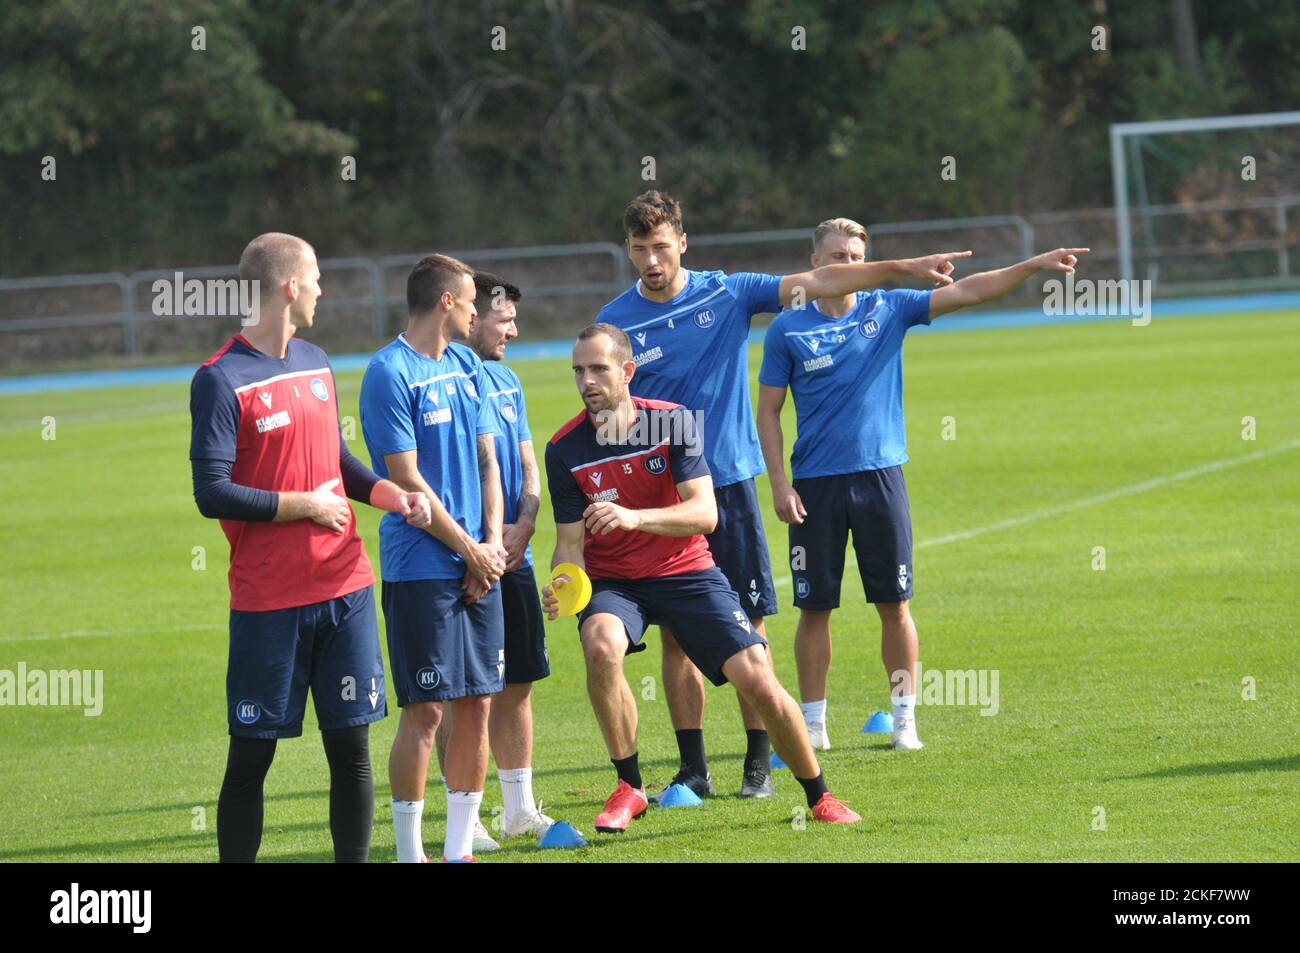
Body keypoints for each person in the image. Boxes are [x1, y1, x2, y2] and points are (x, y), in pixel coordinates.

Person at [595, 189, 970, 797]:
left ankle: (757, 761)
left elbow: (819, 282)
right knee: (674, 636)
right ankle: (694, 768)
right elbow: (607, 410)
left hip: (730, 484)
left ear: (682, 242)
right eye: (639, 249)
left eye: (661, 246)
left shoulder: (729, 293)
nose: (651, 259)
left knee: (748, 624)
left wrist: (904, 268)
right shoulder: (616, 322)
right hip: (661, 496)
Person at [757, 217, 1089, 750]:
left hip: (881, 478)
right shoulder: (787, 329)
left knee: (895, 604)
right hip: (815, 486)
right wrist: (779, 485)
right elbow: (768, 413)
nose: (848, 265)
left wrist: (1031, 266)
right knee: (814, 607)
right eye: (837, 256)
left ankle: (905, 721)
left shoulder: (887, 309)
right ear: (815, 264)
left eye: (856, 256)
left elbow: (968, 289)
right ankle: (814, 724)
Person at [542, 323, 861, 832]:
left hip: (684, 569)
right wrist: (564, 583)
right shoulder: (565, 448)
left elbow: (704, 514)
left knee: (757, 679)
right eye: (579, 370)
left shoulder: (673, 425)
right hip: (614, 583)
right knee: (601, 648)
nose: (587, 380)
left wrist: (633, 517)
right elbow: (570, 543)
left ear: (627, 371)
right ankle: (629, 787)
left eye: (599, 368)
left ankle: (820, 795)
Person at [189, 231, 431, 863]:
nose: (324, 289)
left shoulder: (318, 360)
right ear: (290, 286)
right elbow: (211, 491)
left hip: (345, 589)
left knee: (350, 750)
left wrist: (389, 494)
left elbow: (338, 462)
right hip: (269, 602)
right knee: (252, 755)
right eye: (316, 278)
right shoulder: (220, 380)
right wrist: (306, 505)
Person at [359, 253, 508, 863]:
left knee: (477, 702)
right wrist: (470, 550)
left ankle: (456, 850)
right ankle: (408, 852)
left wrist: (492, 545)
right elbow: (407, 479)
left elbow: (486, 460)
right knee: (425, 710)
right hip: (421, 567)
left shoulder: (468, 364)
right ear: (446, 301)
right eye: (473, 300)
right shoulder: (387, 373)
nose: (480, 311)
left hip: (479, 562)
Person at [432, 271, 554, 849]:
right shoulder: (440, 378)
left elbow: (528, 464)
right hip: (459, 555)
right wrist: (477, 545)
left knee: (518, 681)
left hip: (513, 553)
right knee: (459, 691)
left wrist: (525, 525)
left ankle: (520, 810)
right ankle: (467, 819)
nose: (514, 329)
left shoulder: (507, 380)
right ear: (471, 316)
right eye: (505, 319)